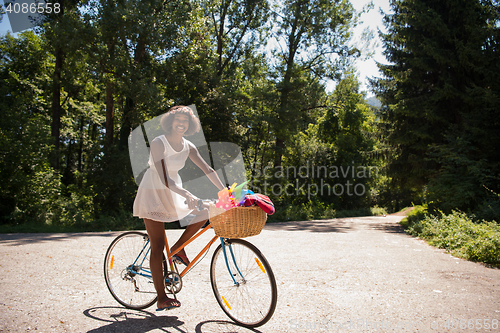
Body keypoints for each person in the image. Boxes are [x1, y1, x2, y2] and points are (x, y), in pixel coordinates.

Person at [133, 105, 225, 311]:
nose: (181, 123)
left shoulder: (188, 146)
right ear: (170, 122)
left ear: (190, 124)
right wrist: (188, 194)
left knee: (206, 210)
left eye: (186, 120)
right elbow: (164, 177)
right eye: (178, 120)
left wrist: (224, 191)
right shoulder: (159, 143)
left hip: (175, 189)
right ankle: (161, 297)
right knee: (157, 245)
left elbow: (208, 169)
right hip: (155, 190)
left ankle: (177, 248)